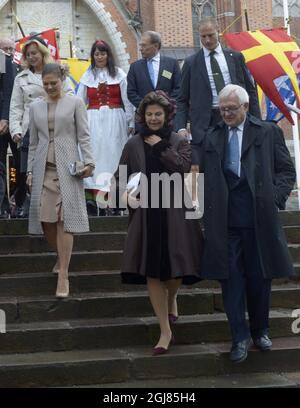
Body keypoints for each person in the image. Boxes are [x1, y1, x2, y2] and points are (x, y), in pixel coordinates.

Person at [199, 84, 295, 363]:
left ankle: (260, 330)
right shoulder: (212, 136)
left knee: (260, 278)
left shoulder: (266, 132)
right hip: (224, 222)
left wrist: (273, 199)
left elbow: (286, 170)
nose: (226, 114)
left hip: (258, 219)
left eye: (231, 109)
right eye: (223, 109)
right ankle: (238, 337)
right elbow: (203, 177)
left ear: (245, 106)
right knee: (231, 282)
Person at [115, 91, 203, 354]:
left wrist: (161, 147)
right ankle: (165, 330)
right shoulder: (132, 143)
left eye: (158, 114)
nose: (153, 118)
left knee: (175, 270)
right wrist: (124, 196)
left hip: (175, 209)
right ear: (143, 115)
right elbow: (120, 176)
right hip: (145, 213)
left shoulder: (178, 140)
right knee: (152, 272)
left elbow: (184, 169)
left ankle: (173, 297)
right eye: (149, 114)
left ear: (167, 116)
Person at [27, 63, 94, 298]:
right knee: (45, 221)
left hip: (69, 167)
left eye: (53, 83)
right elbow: (33, 143)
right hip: (42, 168)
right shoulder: (35, 106)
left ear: (62, 80)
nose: (49, 87)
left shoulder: (75, 102)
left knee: (64, 220)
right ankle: (61, 255)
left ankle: (63, 274)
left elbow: (84, 134)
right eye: (45, 84)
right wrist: (28, 172)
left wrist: (90, 162)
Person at [175, 18, 261, 164]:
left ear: (218, 32)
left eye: (211, 35)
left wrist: (257, 120)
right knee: (210, 167)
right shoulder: (191, 63)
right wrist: (181, 127)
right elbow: (182, 98)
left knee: (235, 161)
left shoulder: (235, 57)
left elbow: (250, 91)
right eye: (203, 36)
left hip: (234, 116)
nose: (207, 40)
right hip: (205, 124)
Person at [9, 37, 74, 207]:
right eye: (28, 54)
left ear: (43, 53)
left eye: (34, 53)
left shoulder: (57, 72)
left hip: (53, 126)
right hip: (28, 128)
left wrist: (50, 97)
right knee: (26, 169)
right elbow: (16, 105)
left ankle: (55, 202)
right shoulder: (20, 78)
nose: (31, 57)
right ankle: (27, 204)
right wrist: (15, 129)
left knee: (51, 166)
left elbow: (71, 97)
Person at [77, 40, 134, 215]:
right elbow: (79, 102)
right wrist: (79, 124)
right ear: (92, 56)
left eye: (102, 53)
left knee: (114, 155)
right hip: (92, 120)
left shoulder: (119, 74)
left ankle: (115, 201)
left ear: (108, 55)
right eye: (96, 54)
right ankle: (94, 201)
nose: (99, 57)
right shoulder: (87, 76)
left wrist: (130, 121)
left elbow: (127, 100)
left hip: (115, 120)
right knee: (94, 156)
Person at [0, 38, 26, 218]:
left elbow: (8, 91)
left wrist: (4, 118)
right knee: (1, 165)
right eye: (6, 48)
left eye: (11, 49)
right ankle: (3, 206)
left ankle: (21, 202)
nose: (9, 52)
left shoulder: (4, 61)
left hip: (10, 121)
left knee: (19, 164)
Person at [127, 31, 181, 110]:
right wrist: (146, 106)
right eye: (140, 45)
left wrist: (166, 105)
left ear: (156, 45)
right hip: (143, 115)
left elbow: (178, 88)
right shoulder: (135, 67)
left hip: (168, 115)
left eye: (144, 45)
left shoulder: (172, 64)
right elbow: (131, 92)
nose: (140, 49)